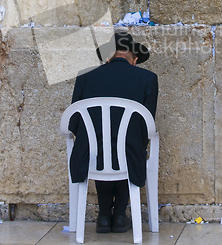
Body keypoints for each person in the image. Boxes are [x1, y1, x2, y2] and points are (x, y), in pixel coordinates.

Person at [68, 32, 158, 233]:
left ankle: (103, 216)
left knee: (100, 149)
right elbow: (147, 125)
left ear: (108, 57)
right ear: (134, 60)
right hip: (130, 155)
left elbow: (73, 123)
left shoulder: (85, 76)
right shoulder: (148, 79)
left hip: (88, 156)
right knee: (129, 147)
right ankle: (119, 216)